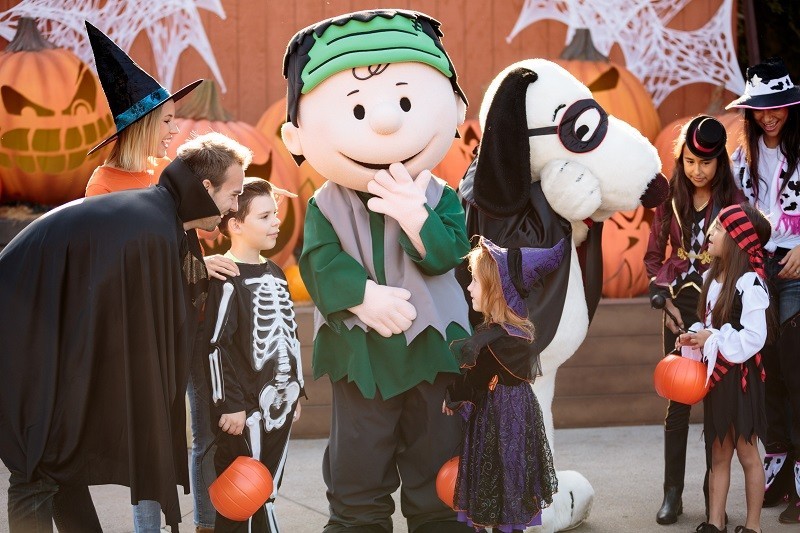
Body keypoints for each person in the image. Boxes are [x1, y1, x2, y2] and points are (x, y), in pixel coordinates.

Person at [281, 9, 475, 533]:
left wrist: (418, 220)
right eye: (360, 108)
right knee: (358, 463)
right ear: (296, 136)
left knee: (436, 460)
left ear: (454, 108)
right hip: (361, 353)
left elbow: (449, 257)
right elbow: (317, 262)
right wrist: (361, 295)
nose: (387, 121)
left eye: (406, 102)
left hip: (435, 352)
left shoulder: (442, 197)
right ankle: (357, 523)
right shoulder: (326, 203)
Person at [0, 130, 250, 532]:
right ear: (206, 187)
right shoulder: (150, 225)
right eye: (233, 194)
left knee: (61, 463)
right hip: (22, 336)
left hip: (51, 339)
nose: (234, 208)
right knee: (37, 465)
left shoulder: (163, 218)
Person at [81, 23, 225, 532]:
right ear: (141, 125)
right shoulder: (104, 187)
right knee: (153, 439)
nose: (174, 130)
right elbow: (114, 268)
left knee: (204, 430)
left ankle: (206, 524)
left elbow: (199, 233)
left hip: (192, 320)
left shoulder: (170, 175)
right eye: (166, 121)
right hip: (145, 334)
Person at [644, 115, 746, 524]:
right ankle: (672, 494)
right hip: (678, 307)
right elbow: (654, 255)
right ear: (681, 157)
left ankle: (712, 492)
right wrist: (658, 296)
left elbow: (742, 260)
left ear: (720, 162)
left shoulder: (733, 204)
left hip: (717, 310)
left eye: (705, 163)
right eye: (689, 161)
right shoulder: (670, 198)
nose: (696, 170)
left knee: (716, 404)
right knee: (678, 400)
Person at [200, 177, 304, 532]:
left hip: (279, 402)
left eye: (275, 213)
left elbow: (289, 335)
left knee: (269, 489)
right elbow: (215, 346)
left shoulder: (276, 272)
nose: (276, 221)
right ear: (236, 225)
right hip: (243, 408)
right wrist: (229, 402)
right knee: (240, 493)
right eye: (265, 216)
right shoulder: (226, 278)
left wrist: (295, 388)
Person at [443, 236, 562, 532]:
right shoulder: (520, 334)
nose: (469, 287)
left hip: (494, 421)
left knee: (493, 477)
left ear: (497, 290)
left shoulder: (488, 343)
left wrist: (452, 398)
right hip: (520, 416)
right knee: (514, 475)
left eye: (475, 282)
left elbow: (473, 383)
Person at [726, 56, 800, 523]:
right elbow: (733, 212)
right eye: (761, 108)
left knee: (796, 373)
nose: (769, 115)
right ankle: (777, 467)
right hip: (757, 271)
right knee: (767, 368)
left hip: (795, 269)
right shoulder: (741, 157)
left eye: (778, 106)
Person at [676, 202, 772, 533]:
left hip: (741, 379)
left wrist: (713, 338)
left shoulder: (750, 283)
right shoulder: (710, 279)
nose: (711, 232)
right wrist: (694, 339)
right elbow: (708, 329)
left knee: (747, 453)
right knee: (718, 455)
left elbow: (755, 338)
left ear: (737, 239)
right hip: (716, 379)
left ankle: (753, 525)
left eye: (719, 228)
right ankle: (714, 522)